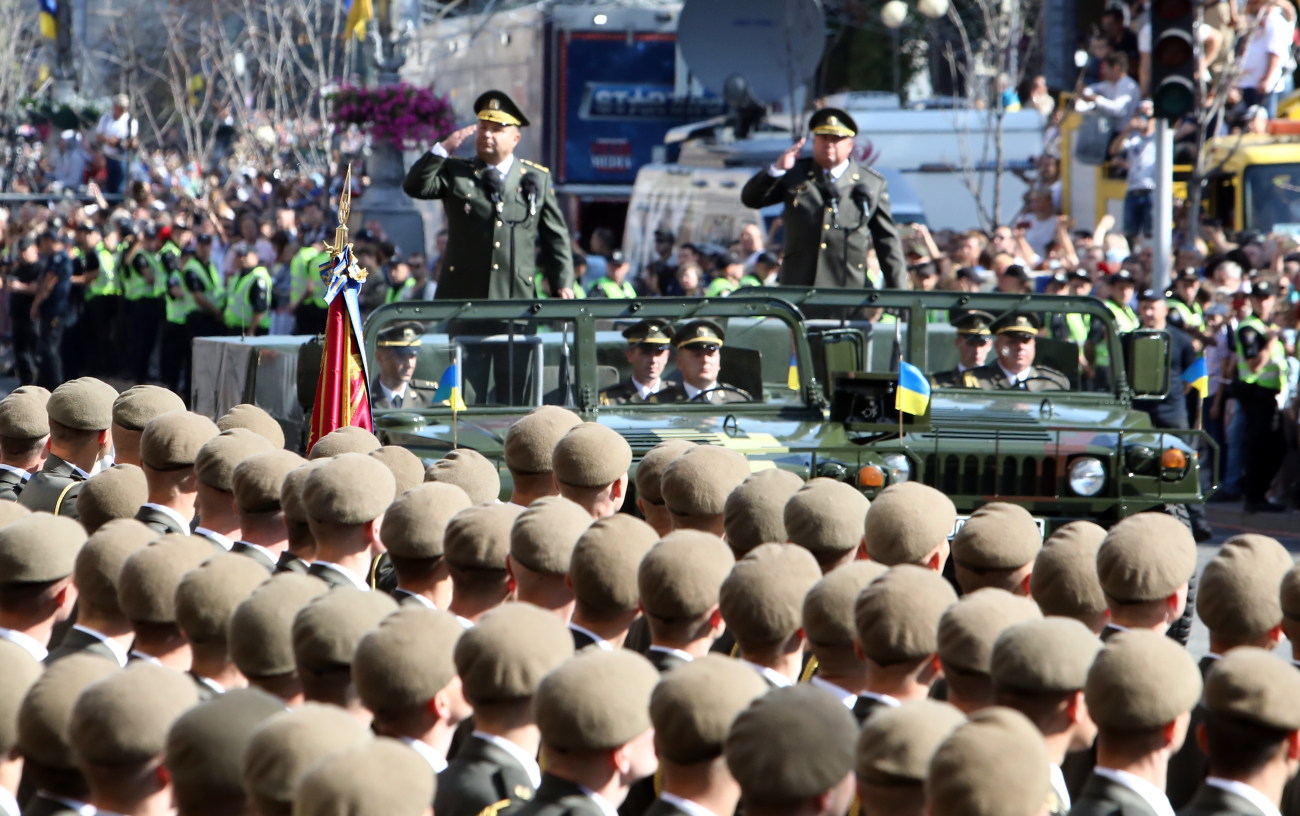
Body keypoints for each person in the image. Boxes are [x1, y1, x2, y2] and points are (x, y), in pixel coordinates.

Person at [403, 90, 575, 300]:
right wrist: (443, 149)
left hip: (516, 298)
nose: (486, 134)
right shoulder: (457, 172)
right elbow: (414, 187)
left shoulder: (536, 178)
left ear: (515, 138)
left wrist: (563, 284)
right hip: (462, 296)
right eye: (482, 128)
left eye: (496, 129)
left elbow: (555, 238)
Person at [740, 107, 908, 289]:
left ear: (850, 145)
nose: (829, 144)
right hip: (799, 287)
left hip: (848, 289)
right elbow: (752, 200)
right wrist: (777, 170)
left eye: (836, 139)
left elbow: (887, 242)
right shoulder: (795, 174)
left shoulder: (871, 183)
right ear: (814, 142)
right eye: (823, 137)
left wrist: (899, 295)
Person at [1233, 282, 1287, 513]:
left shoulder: (1269, 326)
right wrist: (1272, 342)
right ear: (1252, 301)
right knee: (1260, 446)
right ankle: (1254, 498)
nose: (1263, 302)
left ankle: (1259, 495)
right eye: (1259, 298)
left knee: (1275, 446)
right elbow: (1254, 365)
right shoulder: (1250, 328)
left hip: (1272, 394)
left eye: (1267, 298)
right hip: (1256, 393)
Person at [650, 319, 753, 404]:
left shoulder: (738, 401)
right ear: (680, 363)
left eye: (711, 354)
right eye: (697, 355)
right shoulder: (660, 402)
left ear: (719, 361)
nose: (705, 360)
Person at [961, 312, 1069, 391]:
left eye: (1026, 341)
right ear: (997, 346)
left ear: (1034, 345)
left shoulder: (1053, 382)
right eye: (1012, 341)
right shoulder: (976, 382)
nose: (1020, 346)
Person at [31, 231, 74, 390]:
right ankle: (44, 383)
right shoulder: (59, 257)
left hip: (55, 310)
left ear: (50, 241)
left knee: (50, 348)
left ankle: (56, 384)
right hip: (53, 309)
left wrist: (35, 305)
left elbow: (48, 284)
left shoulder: (58, 258)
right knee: (46, 347)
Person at [1110, 103, 1157, 241]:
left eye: (1146, 113)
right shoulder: (1133, 138)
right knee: (1130, 233)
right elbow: (1114, 150)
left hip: (1152, 190)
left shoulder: (1159, 137)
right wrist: (1127, 130)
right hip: (1133, 189)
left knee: (1151, 232)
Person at [599, 319, 672, 405]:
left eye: (658, 353)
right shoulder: (608, 399)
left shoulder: (679, 396)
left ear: (667, 356)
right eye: (646, 353)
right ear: (630, 355)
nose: (653, 360)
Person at [371, 321, 437, 410]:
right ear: (380, 357)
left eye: (413, 356)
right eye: (401, 357)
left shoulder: (429, 396)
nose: (409, 364)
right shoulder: (364, 398)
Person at [5, 237, 42, 385]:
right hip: (17, 314)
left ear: (34, 249)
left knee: (34, 350)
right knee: (20, 350)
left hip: (32, 316)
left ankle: (37, 381)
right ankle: (25, 381)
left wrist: (19, 287)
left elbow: (38, 288)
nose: (23, 254)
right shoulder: (19, 267)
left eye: (25, 251)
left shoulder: (39, 267)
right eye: (21, 251)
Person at [932, 309, 995, 386]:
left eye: (982, 344)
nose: (977, 350)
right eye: (971, 344)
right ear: (958, 342)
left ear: (990, 345)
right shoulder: (939, 382)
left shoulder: (997, 383)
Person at [222, 243, 271, 337]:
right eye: (239, 256)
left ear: (255, 256)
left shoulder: (258, 276)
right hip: (236, 328)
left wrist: (251, 330)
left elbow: (260, 307)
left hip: (252, 330)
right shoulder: (238, 275)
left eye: (245, 255)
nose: (242, 258)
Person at [94, 94, 137, 195]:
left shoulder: (130, 121)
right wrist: (108, 140)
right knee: (108, 183)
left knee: (120, 184)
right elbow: (98, 135)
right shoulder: (106, 118)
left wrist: (119, 142)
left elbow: (133, 141)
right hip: (107, 156)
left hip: (121, 157)